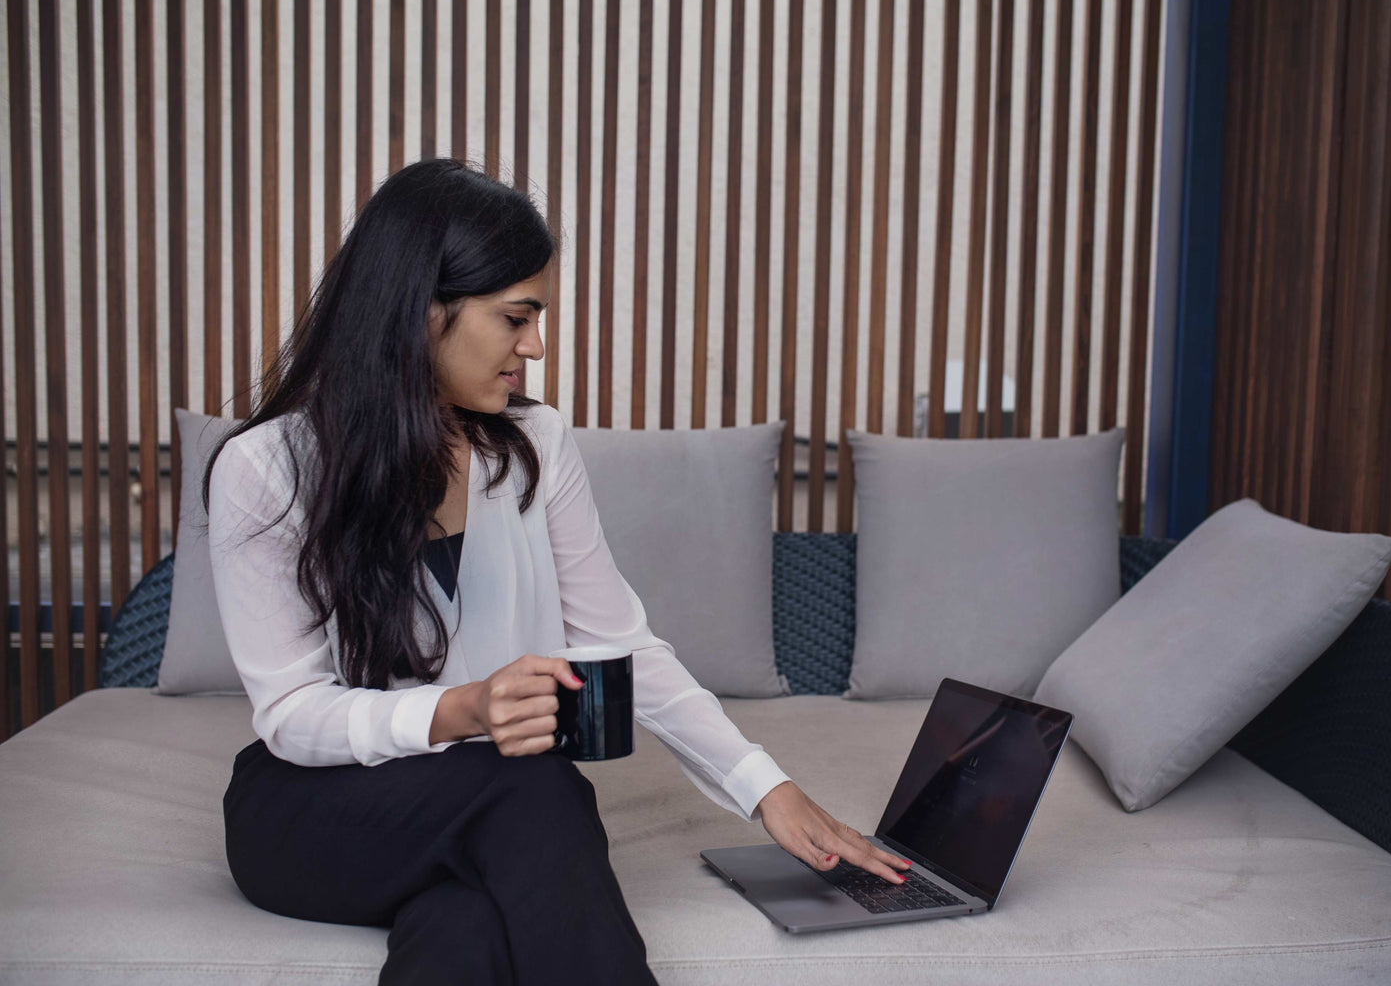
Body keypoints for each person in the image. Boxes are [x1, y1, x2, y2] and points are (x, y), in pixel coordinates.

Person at [203, 157, 911, 985]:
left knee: (465, 921)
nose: (535, 347)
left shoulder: (532, 445)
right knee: (535, 789)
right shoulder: (268, 468)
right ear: (421, 311)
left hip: (480, 809)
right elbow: (291, 714)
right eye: (516, 317)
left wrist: (766, 790)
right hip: (313, 810)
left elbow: (621, 645)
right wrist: (465, 710)